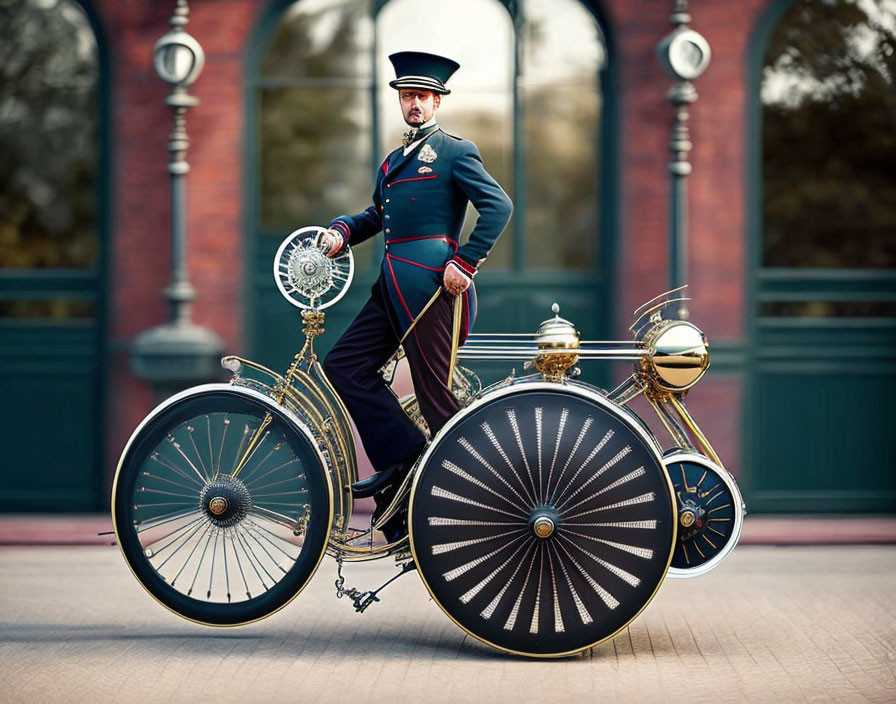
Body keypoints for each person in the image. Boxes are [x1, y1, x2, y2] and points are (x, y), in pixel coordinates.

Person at [320, 51, 512, 541]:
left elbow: (498, 206)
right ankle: (403, 464)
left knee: (435, 400)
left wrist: (465, 261)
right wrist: (343, 230)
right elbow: (377, 216)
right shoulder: (393, 160)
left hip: (431, 287)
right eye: (408, 97)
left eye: (423, 97)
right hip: (391, 284)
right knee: (344, 366)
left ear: (438, 101)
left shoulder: (454, 152)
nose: (415, 105)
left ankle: (489, 506)